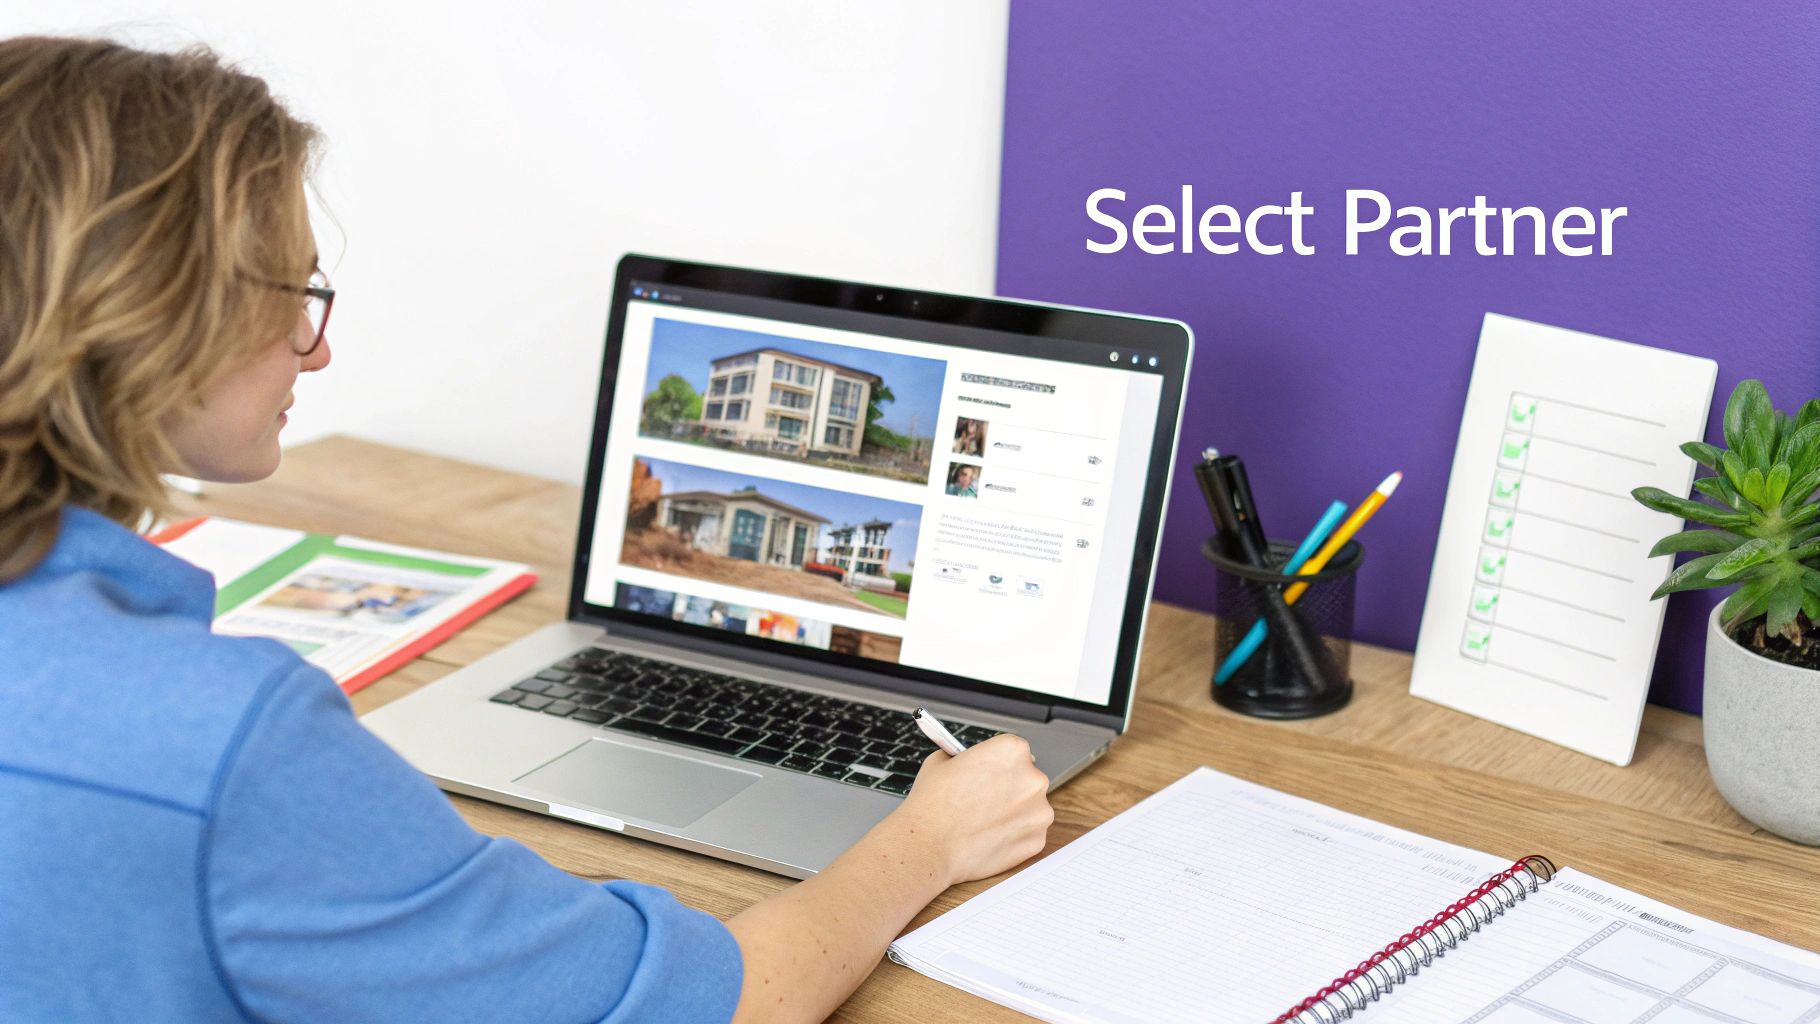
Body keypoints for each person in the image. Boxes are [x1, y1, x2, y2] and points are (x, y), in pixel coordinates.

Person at [0, 37, 1053, 1023]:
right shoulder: (229, 741)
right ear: (146, 310)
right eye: (295, 292)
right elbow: (719, 1005)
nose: (312, 352)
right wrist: (923, 840)